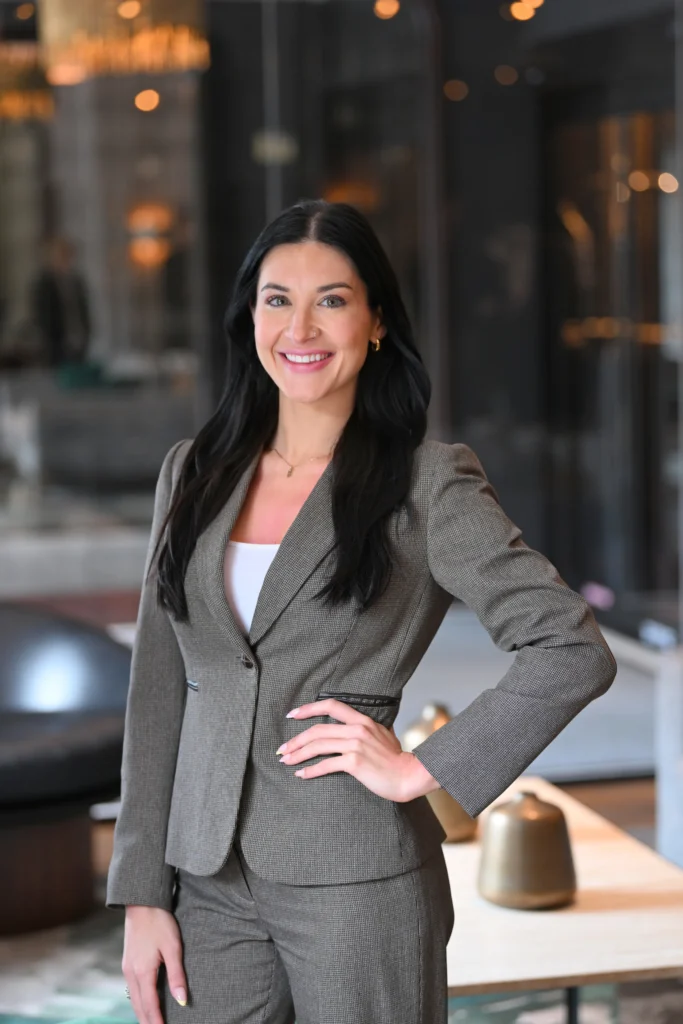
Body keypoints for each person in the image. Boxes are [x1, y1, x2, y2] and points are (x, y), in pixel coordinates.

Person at [106, 199, 617, 1024]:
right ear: (249, 317)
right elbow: (159, 687)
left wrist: (423, 769)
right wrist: (141, 892)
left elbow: (569, 647)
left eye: (332, 300)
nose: (300, 327)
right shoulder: (193, 470)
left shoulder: (427, 482)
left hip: (355, 875)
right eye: (278, 299)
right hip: (203, 875)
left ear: (376, 322)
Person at [30, 236, 91, 368]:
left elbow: (83, 310)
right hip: (55, 343)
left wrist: (86, 333)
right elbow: (42, 315)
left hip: (78, 339)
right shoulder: (44, 284)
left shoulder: (76, 281)